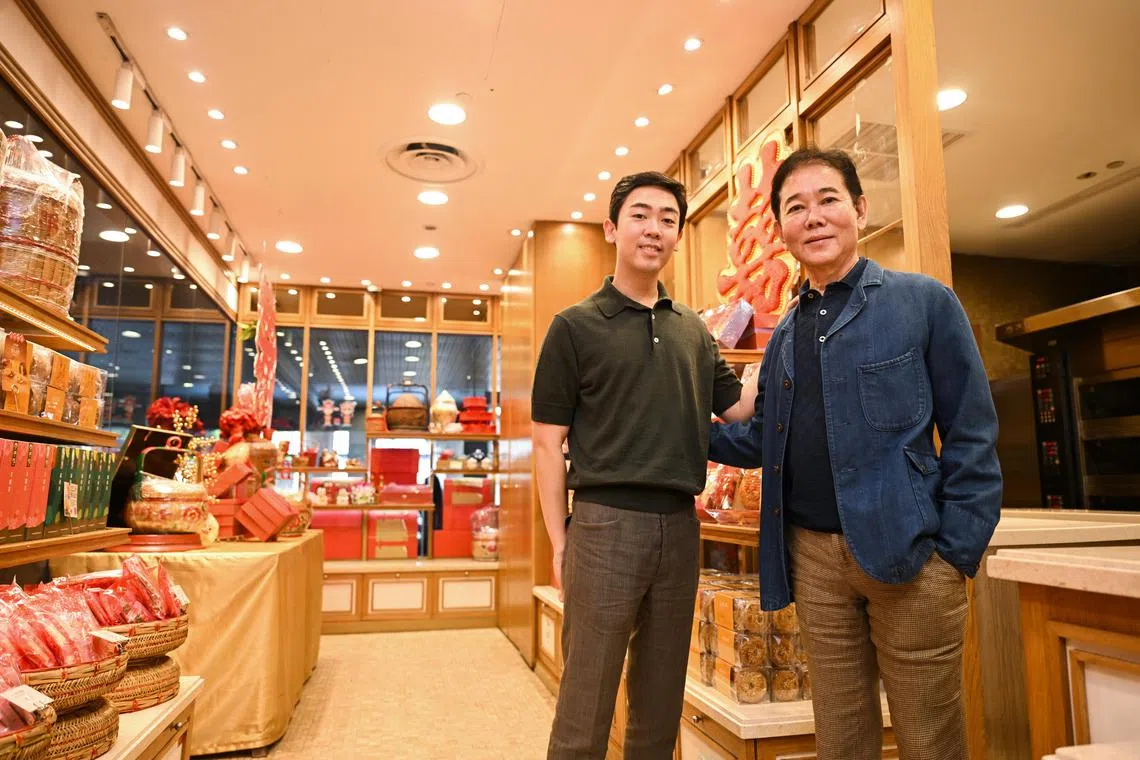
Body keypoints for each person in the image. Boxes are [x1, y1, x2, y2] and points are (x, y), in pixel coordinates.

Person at [708, 148, 1002, 760]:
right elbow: (764, 438)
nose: (813, 217)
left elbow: (972, 432)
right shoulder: (785, 334)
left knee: (930, 741)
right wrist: (676, 434)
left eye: (828, 200)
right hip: (813, 561)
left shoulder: (923, 302)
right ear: (783, 229)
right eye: (796, 207)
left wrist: (955, 552)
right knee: (841, 741)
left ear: (860, 210)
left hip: (913, 557)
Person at [532, 171, 758, 760]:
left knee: (659, 707)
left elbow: (737, 407)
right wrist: (560, 541)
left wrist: (784, 350)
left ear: (678, 235)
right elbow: (547, 445)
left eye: (667, 219)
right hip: (604, 524)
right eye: (640, 215)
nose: (653, 228)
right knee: (585, 708)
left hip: (681, 527)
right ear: (612, 228)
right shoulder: (573, 326)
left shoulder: (694, 331)